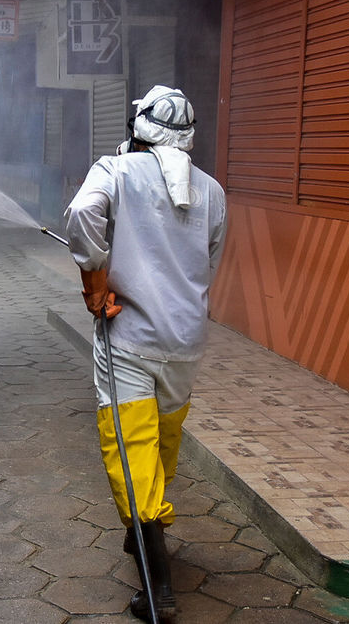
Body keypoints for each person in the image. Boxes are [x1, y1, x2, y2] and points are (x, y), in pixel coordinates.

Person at [64, 85, 226, 623]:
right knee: (162, 439)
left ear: (138, 129)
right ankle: (146, 535)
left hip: (128, 336)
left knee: (131, 449)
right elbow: (208, 262)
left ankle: (157, 593)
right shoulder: (213, 192)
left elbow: (84, 213)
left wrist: (95, 280)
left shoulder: (114, 171)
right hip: (185, 341)